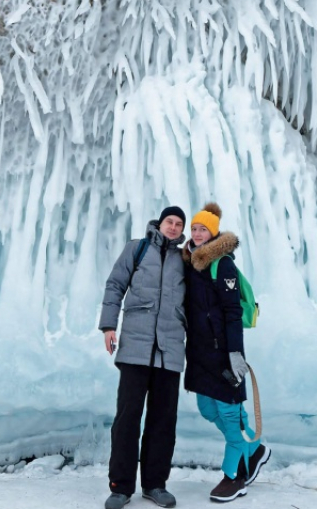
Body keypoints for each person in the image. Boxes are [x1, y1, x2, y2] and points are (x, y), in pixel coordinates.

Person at [99, 206, 188, 509]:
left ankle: (155, 484)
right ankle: (120, 486)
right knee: (127, 419)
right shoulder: (136, 249)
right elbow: (115, 285)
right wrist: (109, 326)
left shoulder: (186, 259)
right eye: (169, 222)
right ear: (159, 223)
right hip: (135, 348)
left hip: (171, 350)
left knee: (163, 421)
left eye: (179, 224)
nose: (173, 227)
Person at [182, 202, 270, 503]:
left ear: (213, 233)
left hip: (223, 354)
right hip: (199, 355)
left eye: (202, 229)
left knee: (230, 416)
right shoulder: (191, 263)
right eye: (194, 228)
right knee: (208, 410)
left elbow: (233, 313)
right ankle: (253, 449)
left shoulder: (223, 265)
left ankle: (235, 476)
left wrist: (235, 353)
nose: (196, 233)